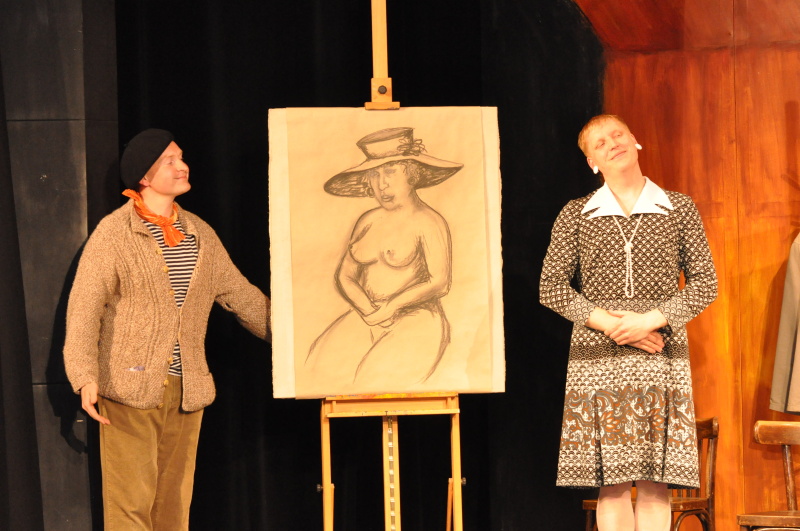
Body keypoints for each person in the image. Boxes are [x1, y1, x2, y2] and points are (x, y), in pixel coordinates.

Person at [63, 129, 271, 530]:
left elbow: (242, 297)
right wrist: (84, 374)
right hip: (129, 385)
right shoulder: (115, 233)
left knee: (173, 510)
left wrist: (297, 337)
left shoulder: (199, 234)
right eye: (169, 161)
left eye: (181, 157)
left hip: (185, 390)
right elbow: (85, 308)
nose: (182, 167)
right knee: (130, 509)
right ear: (144, 176)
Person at [539, 115, 717, 531]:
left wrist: (649, 321)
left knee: (655, 483)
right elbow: (551, 287)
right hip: (598, 357)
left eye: (617, 134)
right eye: (600, 143)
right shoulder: (576, 214)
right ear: (592, 162)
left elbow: (705, 283)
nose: (612, 143)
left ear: (635, 140)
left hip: (660, 352)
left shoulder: (678, 207)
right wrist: (612, 325)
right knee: (612, 483)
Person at [304, 127, 461, 391]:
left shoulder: (429, 222)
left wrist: (391, 307)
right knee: (317, 366)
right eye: (374, 174)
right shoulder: (367, 220)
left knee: (374, 381)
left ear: (412, 174)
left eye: (390, 171)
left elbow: (440, 282)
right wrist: (369, 310)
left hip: (417, 319)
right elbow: (345, 275)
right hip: (367, 314)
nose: (382, 184)